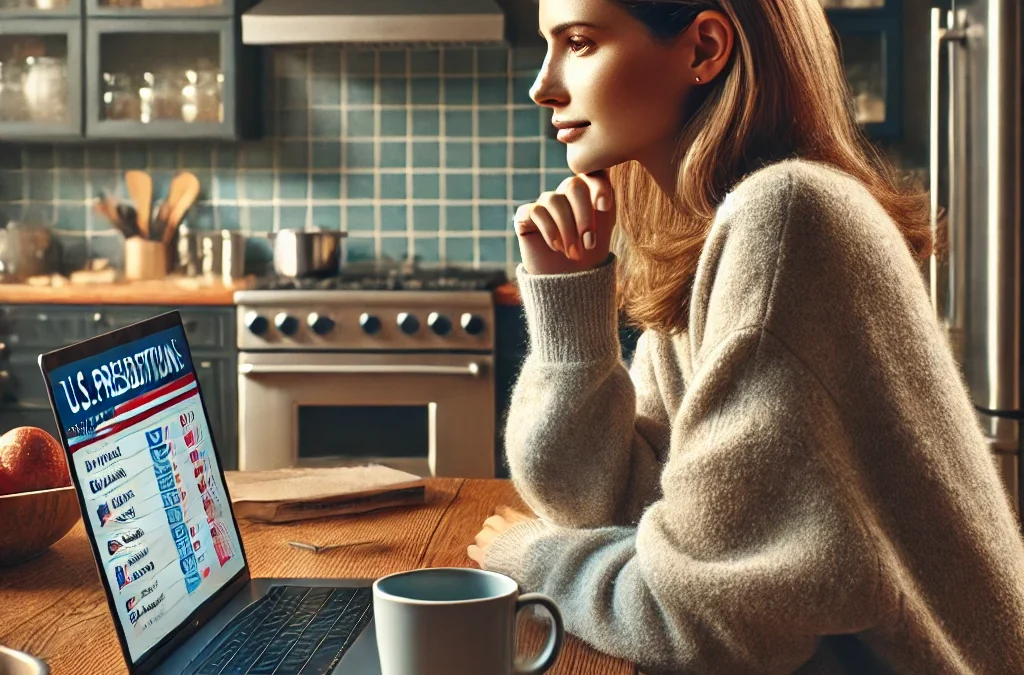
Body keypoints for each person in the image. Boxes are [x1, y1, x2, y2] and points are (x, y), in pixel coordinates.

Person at [465, 0, 1024, 673]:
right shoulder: (715, 235)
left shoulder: (785, 221)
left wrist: (534, 559)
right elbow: (608, 503)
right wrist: (571, 317)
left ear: (703, 49)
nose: (542, 84)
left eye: (579, 42)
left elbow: (706, 621)